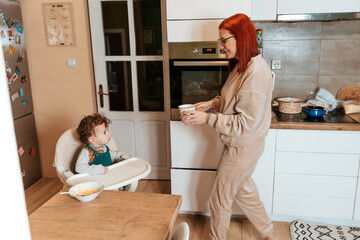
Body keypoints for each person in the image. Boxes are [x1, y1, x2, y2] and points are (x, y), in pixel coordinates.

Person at [180, 14, 276, 240]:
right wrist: (212, 104)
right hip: (240, 145)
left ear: (241, 37)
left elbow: (244, 124)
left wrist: (207, 119)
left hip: (242, 147)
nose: (221, 47)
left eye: (224, 40)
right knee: (245, 193)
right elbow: (234, 101)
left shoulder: (256, 73)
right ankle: (270, 234)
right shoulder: (242, 67)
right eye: (220, 41)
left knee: (219, 199)